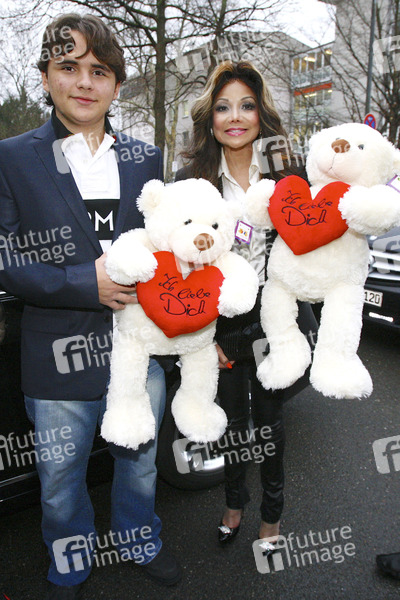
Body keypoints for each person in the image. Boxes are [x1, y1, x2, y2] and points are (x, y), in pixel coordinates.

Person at [0, 13, 181, 599]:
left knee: (141, 464)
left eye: (99, 70)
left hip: (138, 348)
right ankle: (70, 563)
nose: (84, 82)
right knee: (59, 480)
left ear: (117, 85)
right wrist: (86, 283)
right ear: (46, 77)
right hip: (55, 354)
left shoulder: (146, 158)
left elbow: (166, 244)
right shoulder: (11, 157)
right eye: (68, 66)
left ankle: (138, 539)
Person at [176, 60, 316, 550]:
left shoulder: (287, 173)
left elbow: (306, 247)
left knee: (271, 423)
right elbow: (182, 266)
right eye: (223, 107)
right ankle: (234, 505)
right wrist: (202, 337)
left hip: (276, 315)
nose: (235, 117)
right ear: (210, 118)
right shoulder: (192, 181)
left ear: (261, 114)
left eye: (246, 106)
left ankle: (272, 518)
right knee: (234, 424)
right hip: (224, 320)